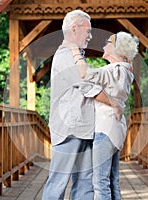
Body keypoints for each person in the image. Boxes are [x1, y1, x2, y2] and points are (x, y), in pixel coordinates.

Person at [42, 10, 118, 200]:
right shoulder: (66, 55)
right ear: (74, 29)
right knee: (58, 182)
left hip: (83, 128)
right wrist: (114, 103)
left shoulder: (76, 55)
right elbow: (88, 87)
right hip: (69, 129)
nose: (90, 36)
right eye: (88, 31)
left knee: (85, 182)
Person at [71, 32, 139, 199]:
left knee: (100, 182)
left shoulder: (114, 70)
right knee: (112, 180)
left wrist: (74, 51)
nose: (104, 43)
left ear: (118, 49)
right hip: (115, 128)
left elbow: (84, 75)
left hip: (105, 130)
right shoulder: (125, 71)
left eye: (109, 41)